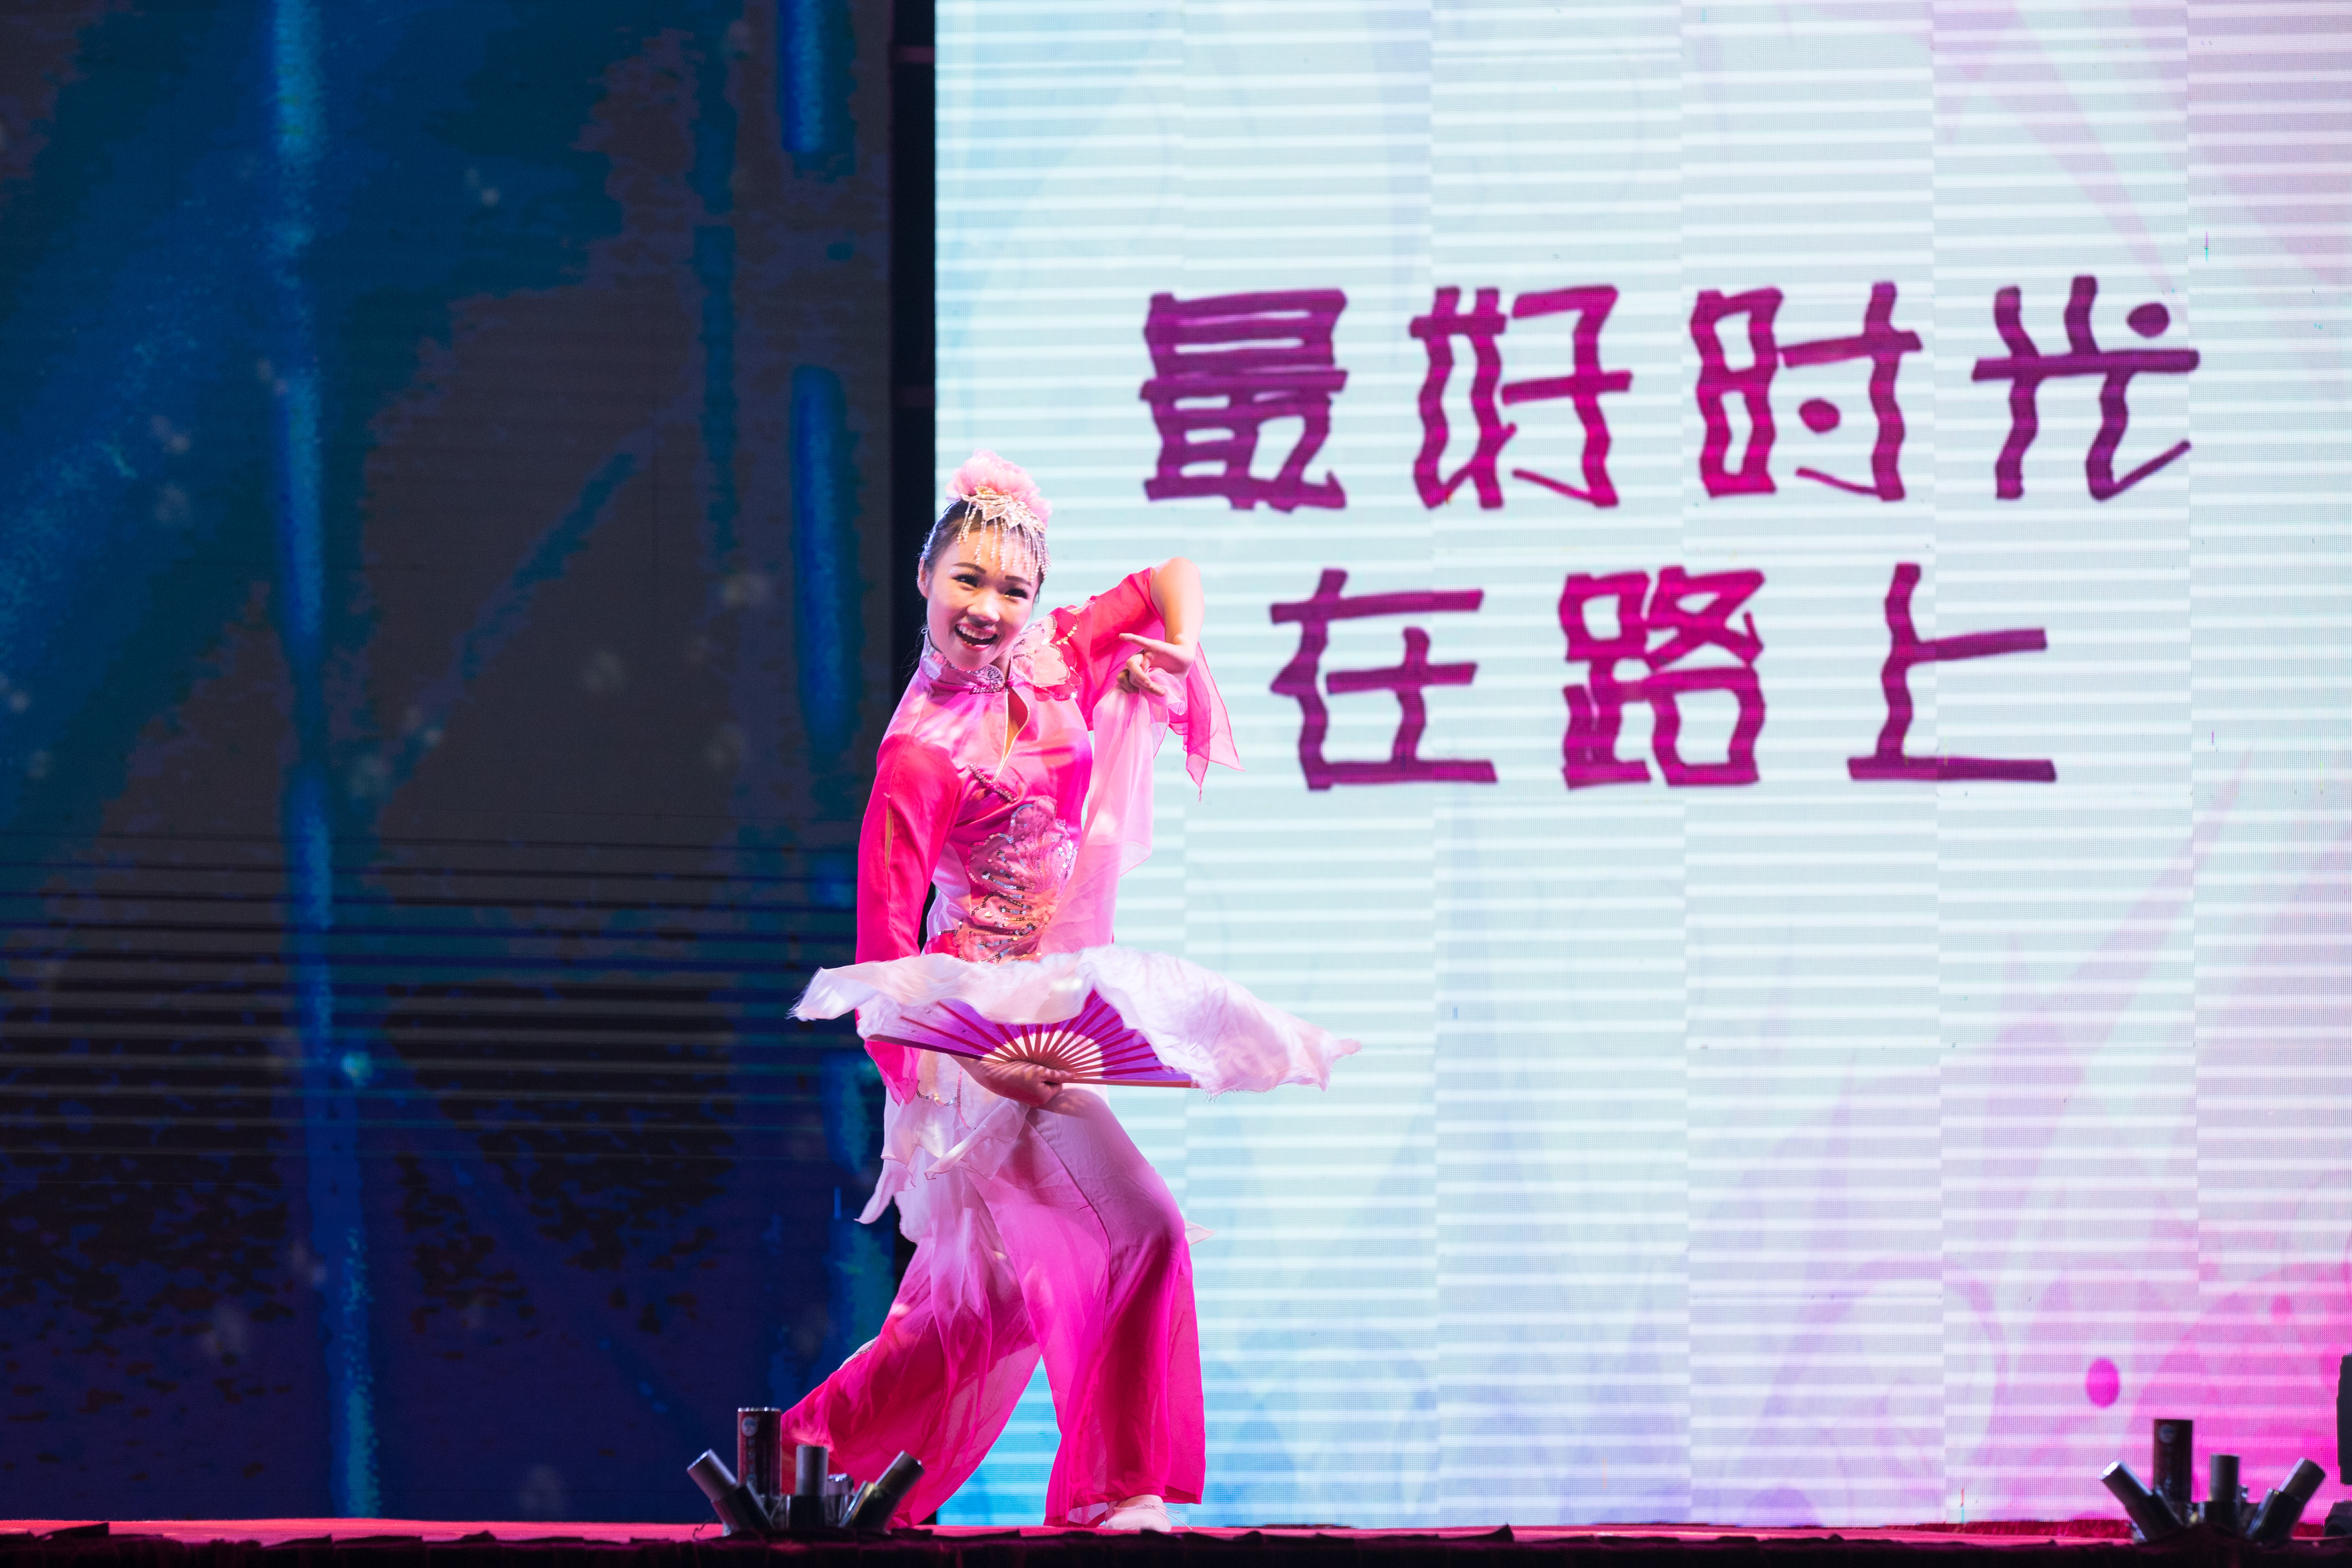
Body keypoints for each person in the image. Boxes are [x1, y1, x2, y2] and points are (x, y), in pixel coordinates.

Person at [784, 453, 1354, 1531]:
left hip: (1045, 1015)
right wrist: (974, 1066)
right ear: (924, 578)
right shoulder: (917, 757)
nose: (988, 610)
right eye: (967, 580)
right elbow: (882, 968)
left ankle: (800, 1457)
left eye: (1013, 588)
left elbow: (1168, 578)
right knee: (1145, 1230)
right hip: (972, 1046)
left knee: (981, 1312)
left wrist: (1175, 648)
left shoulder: (1051, 665)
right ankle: (1113, 1491)